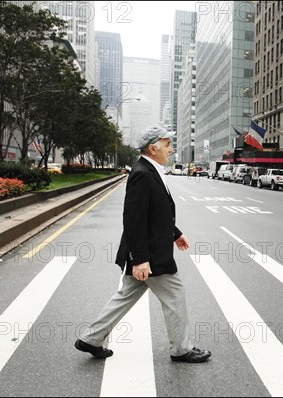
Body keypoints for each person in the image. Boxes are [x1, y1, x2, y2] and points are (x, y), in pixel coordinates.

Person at [75, 126, 211, 363]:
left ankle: (90, 339)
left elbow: (156, 214)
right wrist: (140, 259)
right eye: (168, 143)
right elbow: (134, 219)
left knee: (126, 295)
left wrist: (175, 234)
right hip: (150, 254)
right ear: (153, 147)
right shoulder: (142, 173)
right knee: (175, 294)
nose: (171, 148)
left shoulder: (152, 170)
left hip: (149, 250)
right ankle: (181, 348)